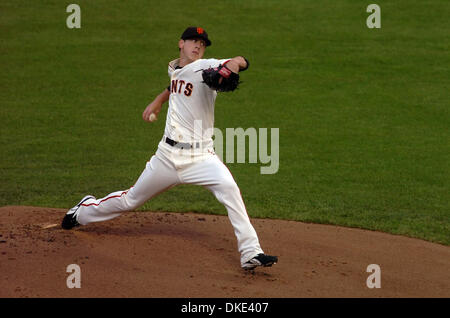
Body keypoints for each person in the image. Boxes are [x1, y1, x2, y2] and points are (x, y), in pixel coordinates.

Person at [62, 26, 278, 270]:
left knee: (230, 189)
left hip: (201, 157)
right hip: (167, 157)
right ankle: (81, 212)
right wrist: (157, 101)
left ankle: (251, 252)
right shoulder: (175, 68)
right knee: (130, 200)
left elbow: (240, 60)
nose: (198, 46)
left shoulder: (205, 66)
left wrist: (234, 65)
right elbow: (175, 83)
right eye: (193, 41)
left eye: (202, 43)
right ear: (180, 44)